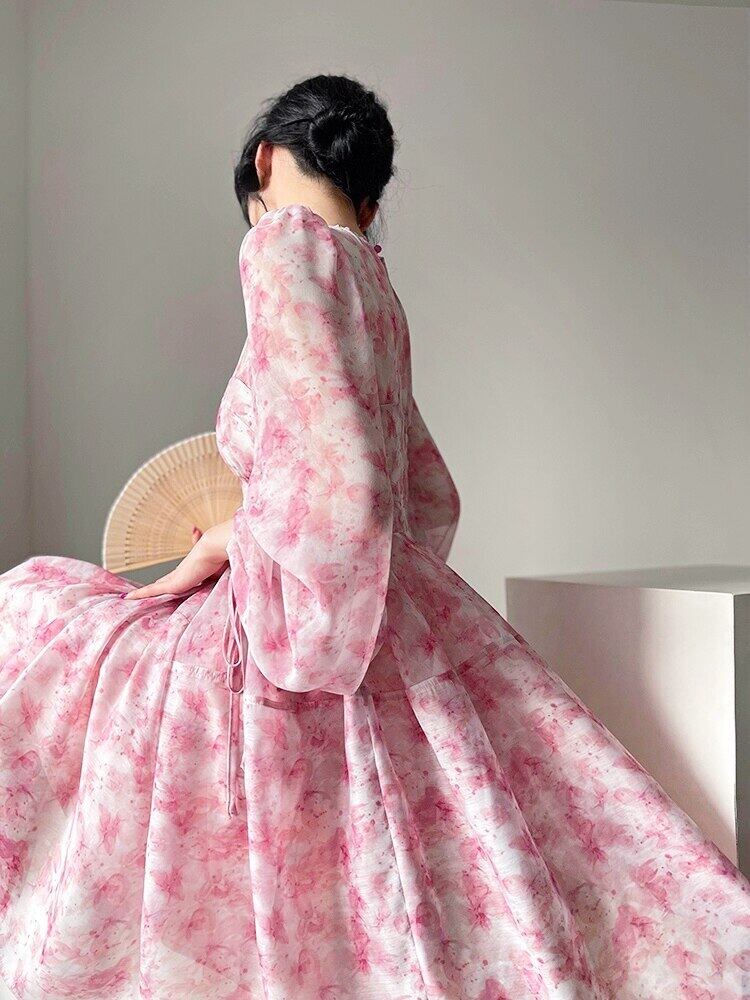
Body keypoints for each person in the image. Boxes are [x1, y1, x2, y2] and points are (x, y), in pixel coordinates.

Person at [0, 72, 747, 1000]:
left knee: (31, 615)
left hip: (300, 614)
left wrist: (237, 544)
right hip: (389, 596)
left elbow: (338, 487)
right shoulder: (373, 279)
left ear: (265, 160)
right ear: (370, 190)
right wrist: (359, 581)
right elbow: (423, 487)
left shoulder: (282, 247)